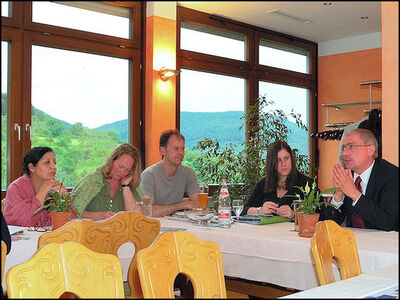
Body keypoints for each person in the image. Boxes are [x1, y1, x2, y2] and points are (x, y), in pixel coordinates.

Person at [328, 128, 398, 231]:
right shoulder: (347, 176)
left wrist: (354, 194)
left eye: (352, 146)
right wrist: (337, 198)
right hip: (353, 242)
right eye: (344, 148)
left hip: (386, 244)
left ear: (370, 150)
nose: (344, 153)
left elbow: (388, 222)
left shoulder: (392, 175)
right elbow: (326, 223)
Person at [243, 140, 314, 219]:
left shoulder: (308, 184)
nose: (283, 164)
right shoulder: (263, 184)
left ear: (292, 159)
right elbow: (243, 211)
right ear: (272, 163)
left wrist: (294, 215)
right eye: (278, 160)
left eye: (286, 158)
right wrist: (259, 210)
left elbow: (321, 215)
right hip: (266, 231)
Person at [71, 143, 143, 220]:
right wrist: (99, 216)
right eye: (120, 166)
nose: (122, 172)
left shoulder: (131, 186)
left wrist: (125, 186)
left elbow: (136, 216)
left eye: (127, 170)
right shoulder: (93, 180)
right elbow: (72, 212)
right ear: (112, 160)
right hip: (91, 230)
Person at [140, 129, 199, 217]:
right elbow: (148, 211)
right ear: (163, 150)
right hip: (155, 226)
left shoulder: (188, 173)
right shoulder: (149, 175)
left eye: (182, 149)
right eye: (176, 149)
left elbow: (197, 204)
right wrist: (181, 205)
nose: (180, 153)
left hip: (178, 224)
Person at [3, 147, 68, 227]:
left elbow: (69, 223)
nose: (53, 166)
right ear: (31, 167)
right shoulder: (16, 188)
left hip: (51, 237)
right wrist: (43, 191)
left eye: (54, 163)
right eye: (47, 162)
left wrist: (64, 199)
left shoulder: (56, 187)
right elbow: (20, 223)